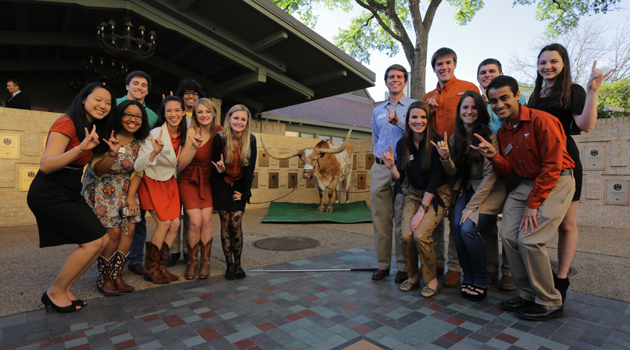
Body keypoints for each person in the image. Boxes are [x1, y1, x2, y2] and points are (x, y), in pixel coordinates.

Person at [473, 75, 575, 321]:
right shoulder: (505, 131)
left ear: (518, 95)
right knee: (508, 236)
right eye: (494, 101)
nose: (499, 105)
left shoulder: (543, 121)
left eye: (504, 98)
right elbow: (510, 170)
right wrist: (494, 155)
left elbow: (552, 165)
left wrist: (533, 203)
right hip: (527, 183)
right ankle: (528, 294)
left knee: (530, 241)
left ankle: (550, 301)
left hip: (556, 180)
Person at [527, 44, 611, 303]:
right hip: (537, 165)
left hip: (565, 162)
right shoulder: (535, 96)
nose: (547, 66)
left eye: (553, 61)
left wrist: (592, 91)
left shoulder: (572, 91)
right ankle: (533, 279)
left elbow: (585, 125)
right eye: (543, 62)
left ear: (564, 64)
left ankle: (561, 278)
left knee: (567, 224)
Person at [27, 82, 114, 312]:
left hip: (70, 191)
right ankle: (54, 292)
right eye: (98, 99)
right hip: (49, 191)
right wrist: (80, 149)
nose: (103, 105)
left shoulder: (92, 128)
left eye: (108, 103)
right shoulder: (66, 123)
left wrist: (110, 152)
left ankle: (65, 290)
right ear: (83, 99)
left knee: (102, 240)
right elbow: (46, 165)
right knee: (93, 242)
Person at [433, 91, 506, 301]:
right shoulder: (457, 137)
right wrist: (446, 157)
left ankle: (481, 276)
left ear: (481, 111)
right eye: (465, 107)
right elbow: (453, 172)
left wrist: (470, 207)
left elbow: (490, 176)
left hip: (488, 192)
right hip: (465, 189)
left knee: (468, 228)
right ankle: (469, 274)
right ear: (460, 111)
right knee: (456, 229)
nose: (469, 111)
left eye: (474, 107)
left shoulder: (489, 136)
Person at [379, 101, 452, 297]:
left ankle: (431, 279)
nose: (418, 121)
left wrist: (421, 210)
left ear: (428, 120)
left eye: (423, 117)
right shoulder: (403, 143)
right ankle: (412, 276)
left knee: (420, 234)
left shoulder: (436, 142)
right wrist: (391, 167)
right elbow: (401, 178)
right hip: (414, 192)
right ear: (408, 120)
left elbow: (435, 179)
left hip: (437, 194)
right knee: (405, 235)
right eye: (414, 117)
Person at [423, 48, 479, 287]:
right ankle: (435, 261)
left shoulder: (468, 88)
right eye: (438, 64)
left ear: (455, 64)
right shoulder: (428, 96)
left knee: (456, 216)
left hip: (461, 160)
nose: (443, 67)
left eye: (447, 63)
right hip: (435, 160)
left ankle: (454, 265)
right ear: (434, 67)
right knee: (434, 213)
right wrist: (429, 110)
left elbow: (477, 119)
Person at [82, 100, 150, 296]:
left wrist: (130, 197)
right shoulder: (105, 136)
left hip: (127, 190)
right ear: (119, 115)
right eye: (128, 114)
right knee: (112, 233)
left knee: (129, 230)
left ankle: (117, 274)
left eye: (137, 116)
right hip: (103, 189)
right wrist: (112, 153)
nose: (132, 119)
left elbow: (138, 172)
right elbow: (98, 171)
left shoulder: (140, 143)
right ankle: (104, 278)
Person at [476, 58, 528, 291]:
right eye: (483, 72)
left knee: (511, 221)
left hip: (515, 166)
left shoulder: (518, 100)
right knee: (487, 223)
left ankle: (509, 271)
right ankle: (490, 268)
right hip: (491, 166)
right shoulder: (482, 106)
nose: (487, 75)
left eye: (492, 71)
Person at [134, 96, 187, 284]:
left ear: (183, 112)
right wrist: (155, 151)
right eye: (169, 110)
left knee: (175, 224)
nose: (173, 114)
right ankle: (150, 269)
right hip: (151, 181)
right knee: (164, 224)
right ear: (163, 113)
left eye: (177, 110)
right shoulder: (155, 133)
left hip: (170, 182)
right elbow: (138, 165)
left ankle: (161, 267)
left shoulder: (185, 134)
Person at [370, 64, 416, 282]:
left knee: (401, 218)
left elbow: (419, 130)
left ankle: (403, 266)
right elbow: (376, 138)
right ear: (386, 81)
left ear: (405, 81)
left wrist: (398, 121)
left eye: (399, 76)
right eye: (390, 77)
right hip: (380, 167)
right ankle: (382, 265)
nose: (394, 79)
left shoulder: (414, 106)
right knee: (380, 218)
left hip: (402, 167)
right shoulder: (377, 110)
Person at [118, 71, 160, 276]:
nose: (140, 87)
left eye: (144, 85)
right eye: (135, 83)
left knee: (138, 218)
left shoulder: (152, 115)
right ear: (127, 86)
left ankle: (135, 259)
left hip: (137, 169)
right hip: (112, 166)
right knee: (110, 220)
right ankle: (110, 260)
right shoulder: (114, 103)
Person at [178, 98, 223, 280]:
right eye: (199, 112)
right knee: (195, 222)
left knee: (206, 221)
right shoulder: (190, 132)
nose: (204, 115)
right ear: (195, 115)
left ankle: (205, 262)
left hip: (207, 182)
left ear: (213, 114)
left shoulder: (219, 131)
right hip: (189, 181)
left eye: (207, 111)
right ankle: (192, 262)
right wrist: (194, 147)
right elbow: (181, 163)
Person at [211, 104, 257, 280]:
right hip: (221, 183)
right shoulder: (219, 139)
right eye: (236, 118)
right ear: (229, 118)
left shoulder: (251, 139)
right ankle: (229, 266)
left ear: (247, 122)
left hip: (239, 185)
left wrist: (245, 194)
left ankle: (238, 265)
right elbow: (215, 169)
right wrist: (220, 170)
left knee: (235, 223)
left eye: (243, 119)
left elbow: (250, 170)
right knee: (225, 223)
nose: (239, 122)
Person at [171, 78, 206, 265]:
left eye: (195, 93)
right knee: (175, 211)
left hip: (195, 170)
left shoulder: (201, 117)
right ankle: (174, 250)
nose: (191, 96)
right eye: (187, 93)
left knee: (191, 213)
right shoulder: (178, 115)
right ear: (182, 95)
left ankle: (188, 250)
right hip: (176, 167)